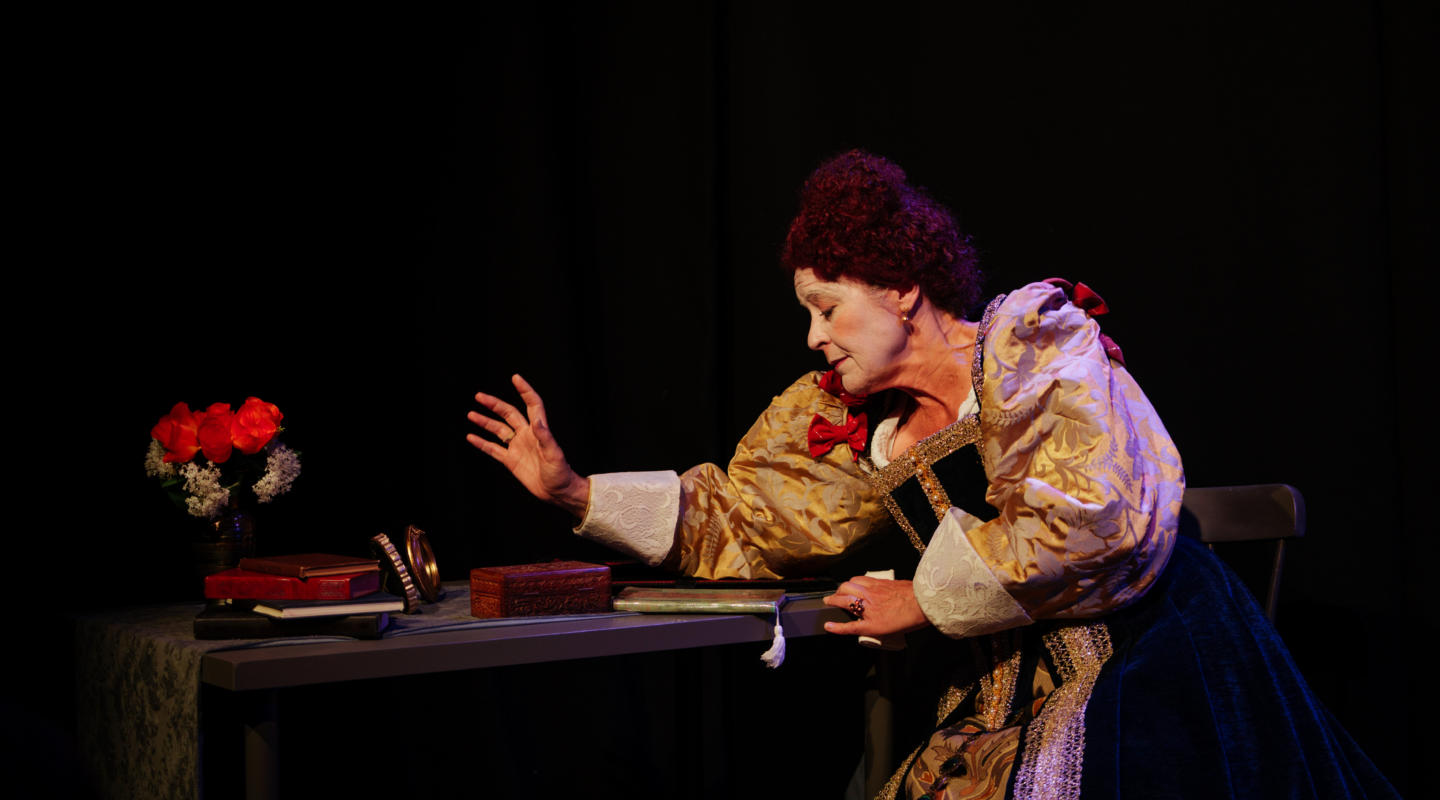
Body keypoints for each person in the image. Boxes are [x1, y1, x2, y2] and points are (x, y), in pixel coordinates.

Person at [466, 151, 1396, 799]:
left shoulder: (1032, 345)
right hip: (1006, 694)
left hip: (1155, 660)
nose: (813, 336)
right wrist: (574, 493)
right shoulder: (858, 423)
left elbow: (1094, 520)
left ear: (902, 289)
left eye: (827, 307)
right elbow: (758, 517)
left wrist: (918, 600)